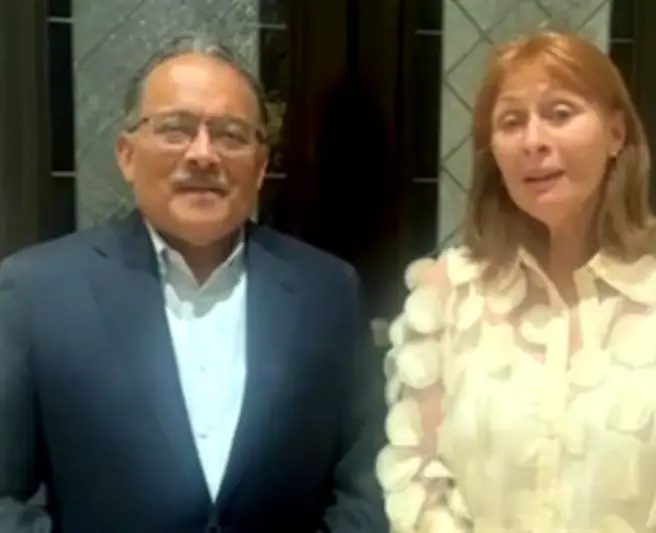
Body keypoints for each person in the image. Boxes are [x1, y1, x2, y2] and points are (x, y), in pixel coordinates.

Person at [376, 32, 656, 532]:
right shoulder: (447, 296)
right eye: (511, 122)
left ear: (616, 133)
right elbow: (419, 484)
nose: (533, 141)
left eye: (559, 113)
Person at [0, 35, 387, 533]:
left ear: (260, 166)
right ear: (126, 154)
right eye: (175, 129)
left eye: (231, 135)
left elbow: (365, 483)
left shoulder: (328, 291)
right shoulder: (36, 291)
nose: (203, 154)